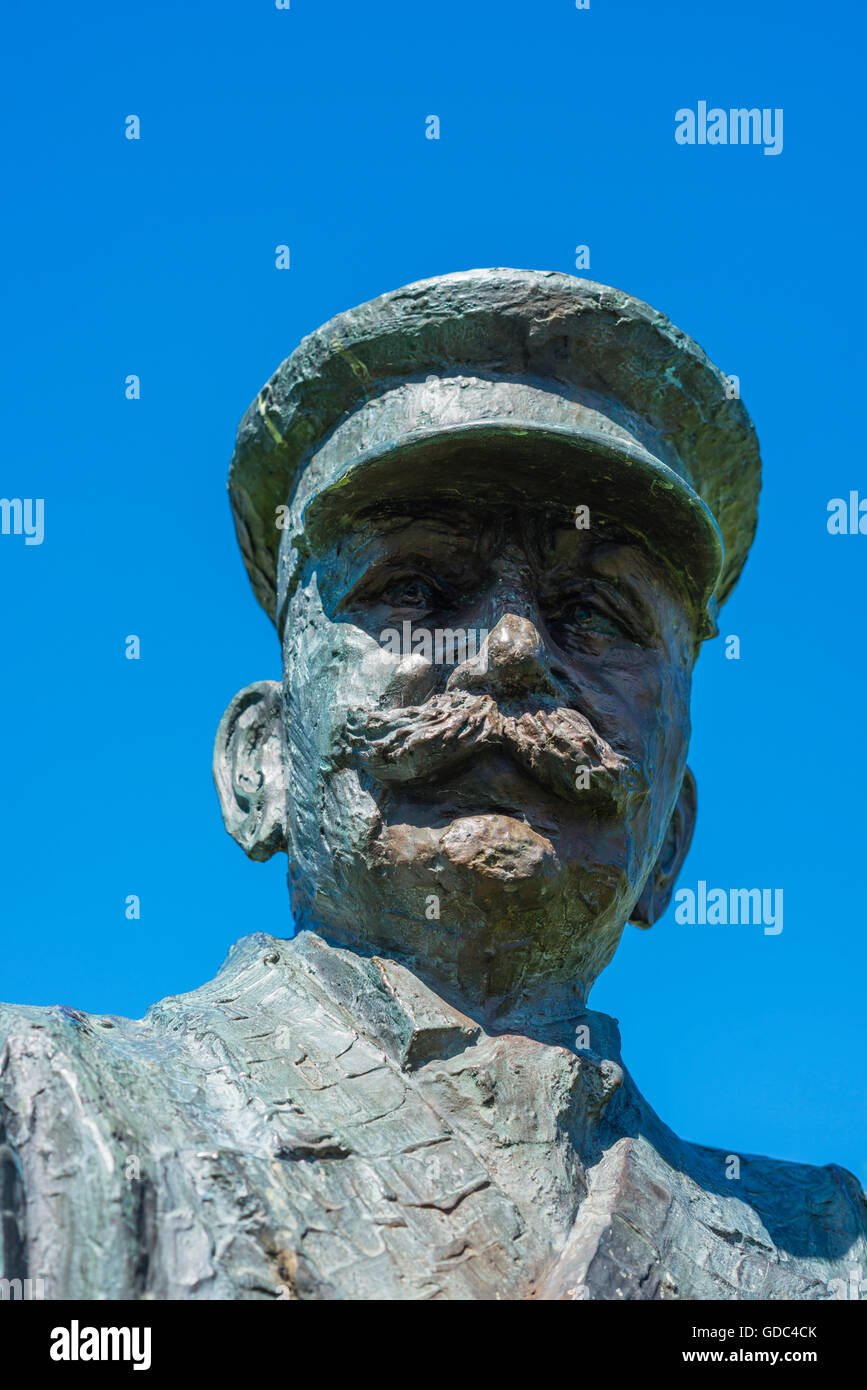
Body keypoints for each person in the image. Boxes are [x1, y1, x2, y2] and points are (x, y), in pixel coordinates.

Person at [1, 269, 863, 1300]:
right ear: (259, 766)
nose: (511, 649)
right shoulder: (44, 1119)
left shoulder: (825, 1256)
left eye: (595, 614)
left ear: (670, 838)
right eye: (414, 590)